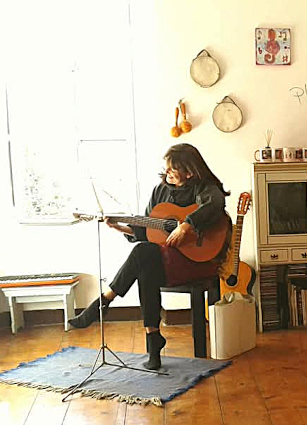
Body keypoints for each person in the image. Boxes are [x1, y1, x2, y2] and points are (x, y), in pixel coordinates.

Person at [69, 143, 231, 370]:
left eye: (173, 168)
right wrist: (121, 228)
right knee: (145, 262)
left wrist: (186, 226)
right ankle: (153, 340)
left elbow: (215, 204)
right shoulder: (160, 191)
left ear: (189, 171)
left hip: (197, 260)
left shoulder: (205, 187)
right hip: (166, 261)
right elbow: (147, 230)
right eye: (166, 167)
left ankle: (104, 303)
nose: (167, 172)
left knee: (144, 255)